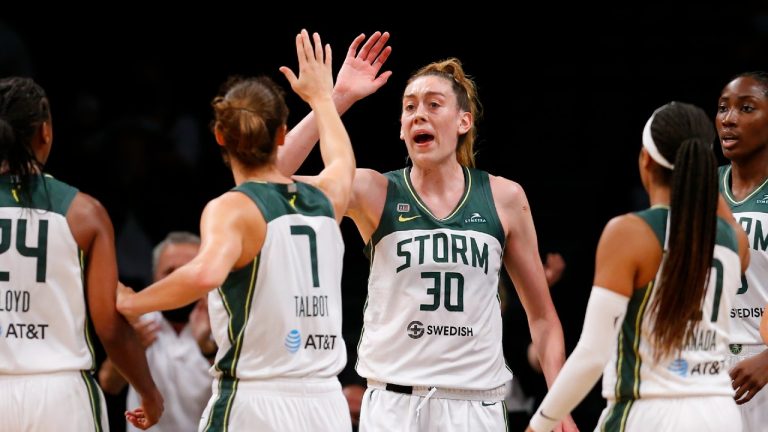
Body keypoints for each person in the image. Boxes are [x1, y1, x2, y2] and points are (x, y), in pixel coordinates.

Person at [279, 56, 577, 431]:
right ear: (402, 129)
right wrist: (335, 100)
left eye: (434, 104)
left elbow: (544, 319)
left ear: (463, 122)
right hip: (393, 404)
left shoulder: (504, 197)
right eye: (409, 107)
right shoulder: (375, 191)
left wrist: (559, 406)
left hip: (475, 406)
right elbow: (269, 176)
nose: (419, 114)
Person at [117, 29, 358, 431]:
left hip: (256, 400)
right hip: (325, 403)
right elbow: (340, 157)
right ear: (281, 135)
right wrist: (321, 98)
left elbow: (205, 273)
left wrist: (132, 302)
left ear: (219, 136)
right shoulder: (330, 196)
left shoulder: (232, 207)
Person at [526, 101, 750, 432]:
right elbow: (717, 219)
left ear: (645, 159)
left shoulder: (628, 233)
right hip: (720, 414)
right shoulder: (733, 240)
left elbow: (592, 353)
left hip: (650, 411)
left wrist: (540, 424)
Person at [0, 77, 163, 430]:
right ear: (45, 132)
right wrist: (149, 391)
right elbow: (110, 326)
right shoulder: (83, 212)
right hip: (59, 394)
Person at [99, 231, 212, 432]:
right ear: (154, 278)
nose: (178, 281)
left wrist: (210, 351)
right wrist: (131, 349)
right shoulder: (138, 321)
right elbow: (108, 384)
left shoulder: (222, 324)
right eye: (170, 273)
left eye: (186, 271)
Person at [717, 71, 768, 431]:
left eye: (746, 108)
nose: (729, 119)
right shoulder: (699, 188)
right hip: (704, 364)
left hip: (762, 362)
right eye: (722, 108)